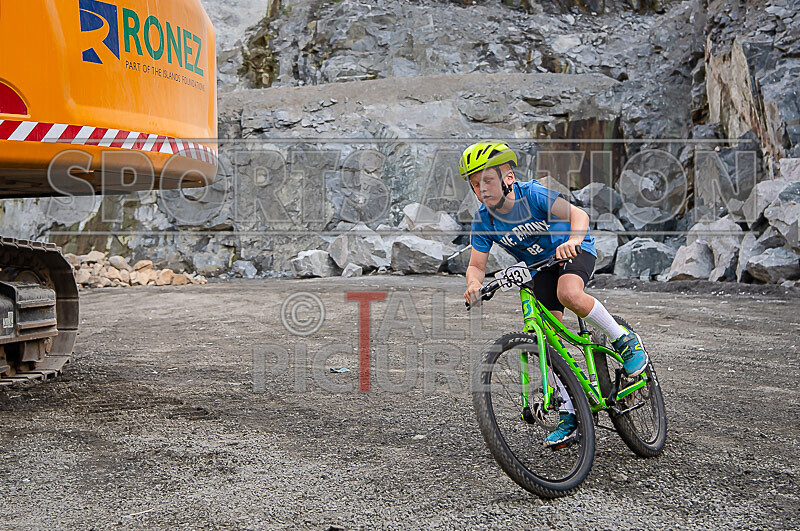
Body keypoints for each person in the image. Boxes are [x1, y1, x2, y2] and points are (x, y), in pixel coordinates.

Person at [460, 141, 648, 447]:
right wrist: (473, 285)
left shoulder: (533, 194)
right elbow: (476, 266)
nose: (482, 189)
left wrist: (573, 240)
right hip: (540, 268)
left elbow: (579, 216)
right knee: (547, 340)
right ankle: (570, 410)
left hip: (573, 250)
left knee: (568, 293)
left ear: (509, 178)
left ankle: (624, 339)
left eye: (488, 180)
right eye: (475, 184)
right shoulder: (484, 221)